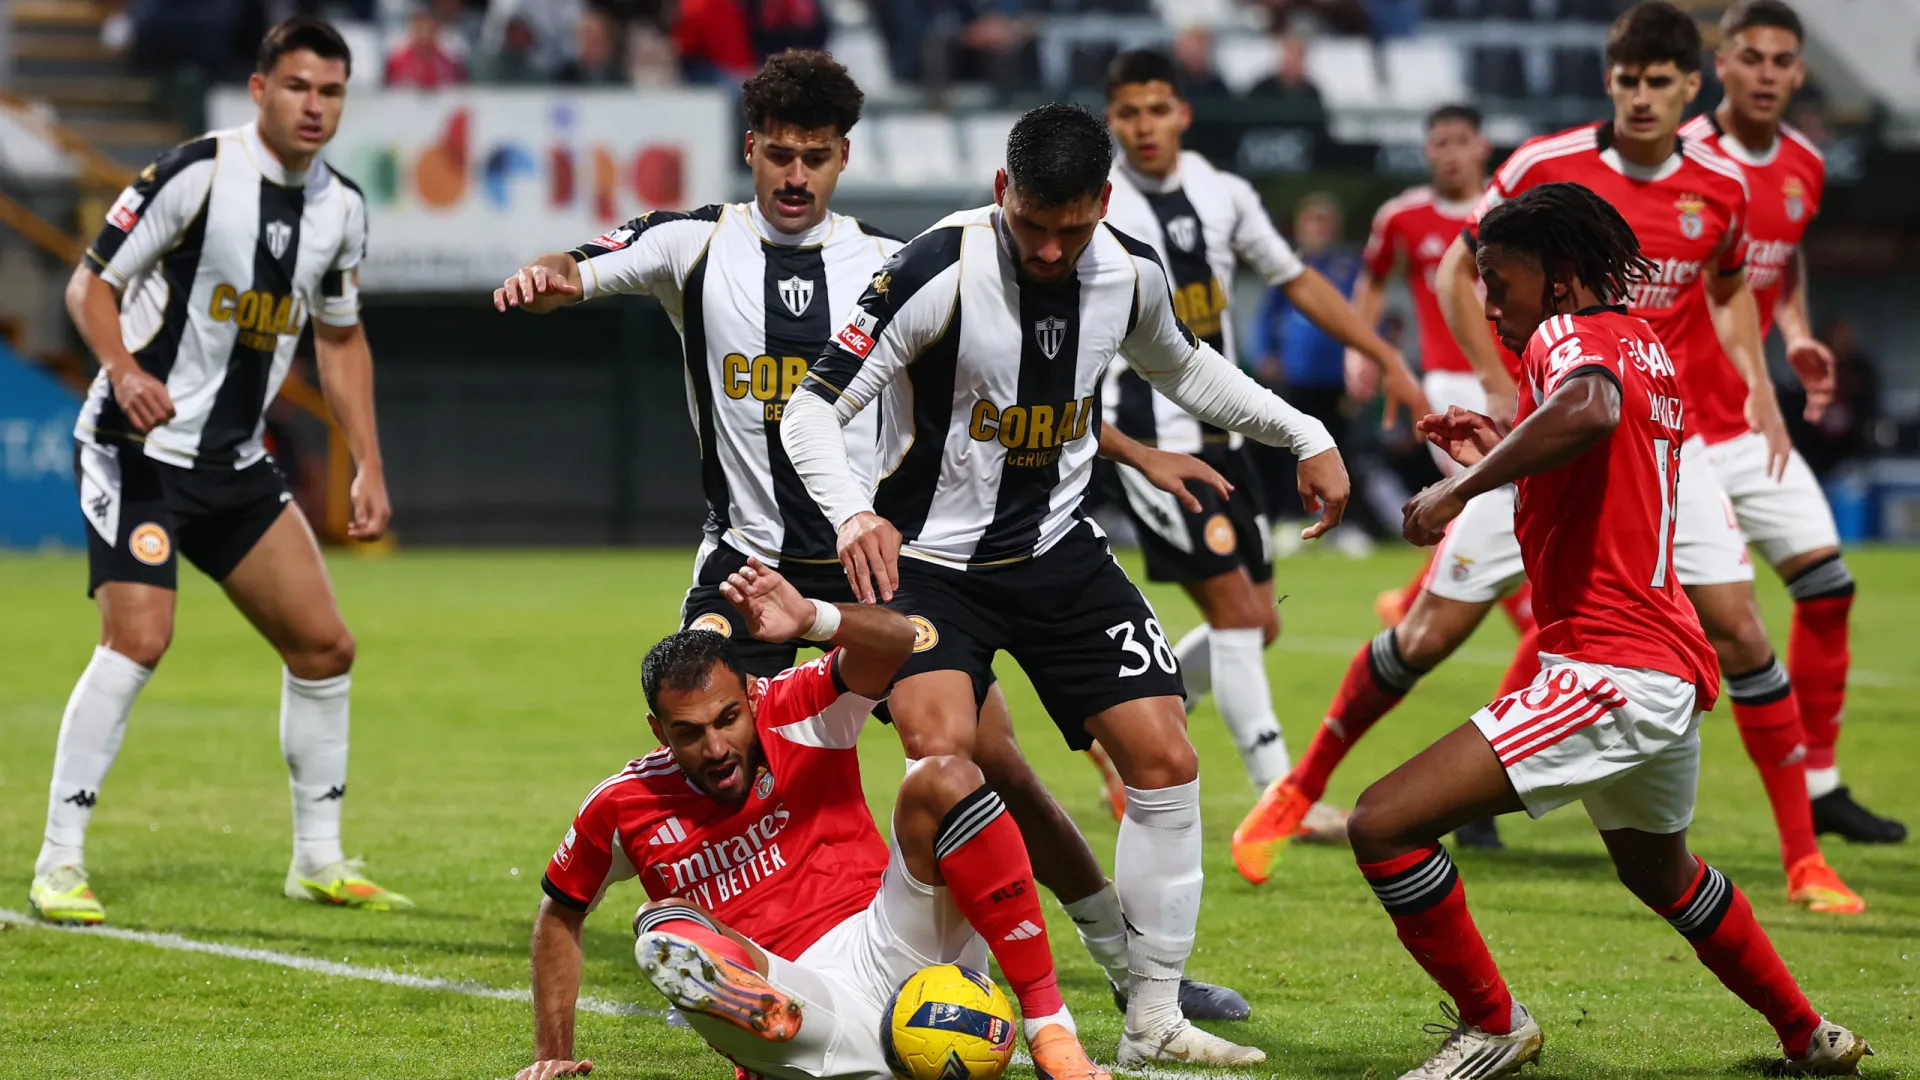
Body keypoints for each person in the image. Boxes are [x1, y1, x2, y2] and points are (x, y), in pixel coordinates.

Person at [494, 54, 1247, 1025]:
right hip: (747, 570)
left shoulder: (896, 264)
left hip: (883, 574)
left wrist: (1132, 449)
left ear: (844, 157)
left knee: (993, 770)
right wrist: (547, 279)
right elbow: (581, 265)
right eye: (778, 155)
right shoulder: (696, 244)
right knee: (708, 752)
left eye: (815, 156)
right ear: (750, 150)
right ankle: (725, 962)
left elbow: (1004, 398)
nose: (795, 175)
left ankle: (1129, 965)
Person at [782, 102, 1349, 1066]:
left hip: (1057, 554)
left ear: (1104, 203)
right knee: (947, 761)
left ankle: (1154, 1017)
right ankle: (918, 987)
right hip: (928, 569)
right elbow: (809, 410)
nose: (1049, 250)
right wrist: (852, 514)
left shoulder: (1128, 272)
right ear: (1002, 189)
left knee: (1165, 759)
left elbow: (1186, 370)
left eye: (1071, 228)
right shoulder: (934, 269)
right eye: (1032, 224)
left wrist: (1306, 434)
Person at [1350, 180, 1870, 1080]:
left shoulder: (1564, 338)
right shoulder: (1642, 341)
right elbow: (1600, 449)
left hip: (1611, 669)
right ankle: (1809, 1035)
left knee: (1383, 823)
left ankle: (1493, 1025)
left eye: (1499, 282)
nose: (1489, 305)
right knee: (1662, 875)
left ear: (1558, 280)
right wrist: (1502, 444)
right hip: (1662, 662)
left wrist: (1457, 488)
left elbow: (1590, 410)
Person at [1430, 0, 1862, 913]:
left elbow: (1743, 285)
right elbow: (1463, 271)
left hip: (1677, 434)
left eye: (1658, 80)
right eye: (1628, 78)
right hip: (1556, 424)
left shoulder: (1737, 183)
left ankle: (1806, 852)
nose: (1640, 95)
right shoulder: (1545, 168)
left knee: (1759, 618)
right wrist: (1500, 393)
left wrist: (1765, 374)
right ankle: (1295, 789)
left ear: (1688, 85)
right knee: (1433, 634)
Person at [30, 17, 403, 925]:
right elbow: (90, 285)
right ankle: (58, 862)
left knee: (325, 647)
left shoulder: (341, 208)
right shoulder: (196, 173)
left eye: (331, 92)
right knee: (139, 638)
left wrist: (367, 463)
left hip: (234, 464)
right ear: (259, 89)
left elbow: (340, 338)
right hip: (136, 449)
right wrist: (124, 371)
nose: (314, 106)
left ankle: (317, 861)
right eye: (298, 87)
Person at [515, 561, 1108, 1080]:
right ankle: (767, 1023)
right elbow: (559, 914)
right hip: (792, 988)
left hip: (892, 939)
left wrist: (814, 620)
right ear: (658, 731)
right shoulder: (624, 804)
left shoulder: (793, 706)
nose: (716, 747)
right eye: (689, 733)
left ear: (752, 695)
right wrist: (552, 1055)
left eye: (728, 719)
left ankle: (1050, 1027)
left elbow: (900, 640)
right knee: (661, 929)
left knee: (944, 777)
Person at [1098, 49, 1424, 835]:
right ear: (1113, 122)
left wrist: (1379, 353)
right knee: (1241, 617)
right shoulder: (1101, 205)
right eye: (1129, 114)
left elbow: (1295, 279)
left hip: (1227, 429)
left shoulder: (1224, 193)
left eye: (1157, 109)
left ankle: (1122, 738)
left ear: (1183, 113)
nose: (1145, 126)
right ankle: (1282, 799)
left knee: (1259, 622)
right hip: (1153, 435)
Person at [1235, 104, 1517, 871]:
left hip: (1536, 396)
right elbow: (1374, 283)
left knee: (1532, 619)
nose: (1449, 153)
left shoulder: (1518, 208)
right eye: (1438, 141)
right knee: (1503, 606)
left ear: (1482, 146)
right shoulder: (1404, 217)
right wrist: (1371, 354)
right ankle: (1308, 789)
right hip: (1457, 393)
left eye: (1460, 140)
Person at [1678, 0, 1903, 843]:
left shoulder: (1804, 164)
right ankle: (1504, 771)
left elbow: (1783, 255)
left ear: (1800, 73)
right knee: (1628, 611)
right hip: (1671, 432)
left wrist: (1798, 333)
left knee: (1828, 588)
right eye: (1752, 57)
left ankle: (1820, 784)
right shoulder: (1681, 159)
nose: (1767, 73)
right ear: (1722, 65)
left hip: (1746, 424)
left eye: (1782, 60)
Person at [1245, 193, 1384, 552]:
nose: (1318, 230)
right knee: (1291, 449)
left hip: (1337, 378)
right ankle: (1292, 520)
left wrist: (1370, 360)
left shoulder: (1349, 267)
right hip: (1296, 375)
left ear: (1335, 228)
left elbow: (1365, 314)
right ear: (1300, 228)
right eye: (1312, 223)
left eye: (1324, 223)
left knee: (1344, 450)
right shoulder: (1288, 265)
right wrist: (1264, 354)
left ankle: (1345, 524)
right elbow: (1266, 317)